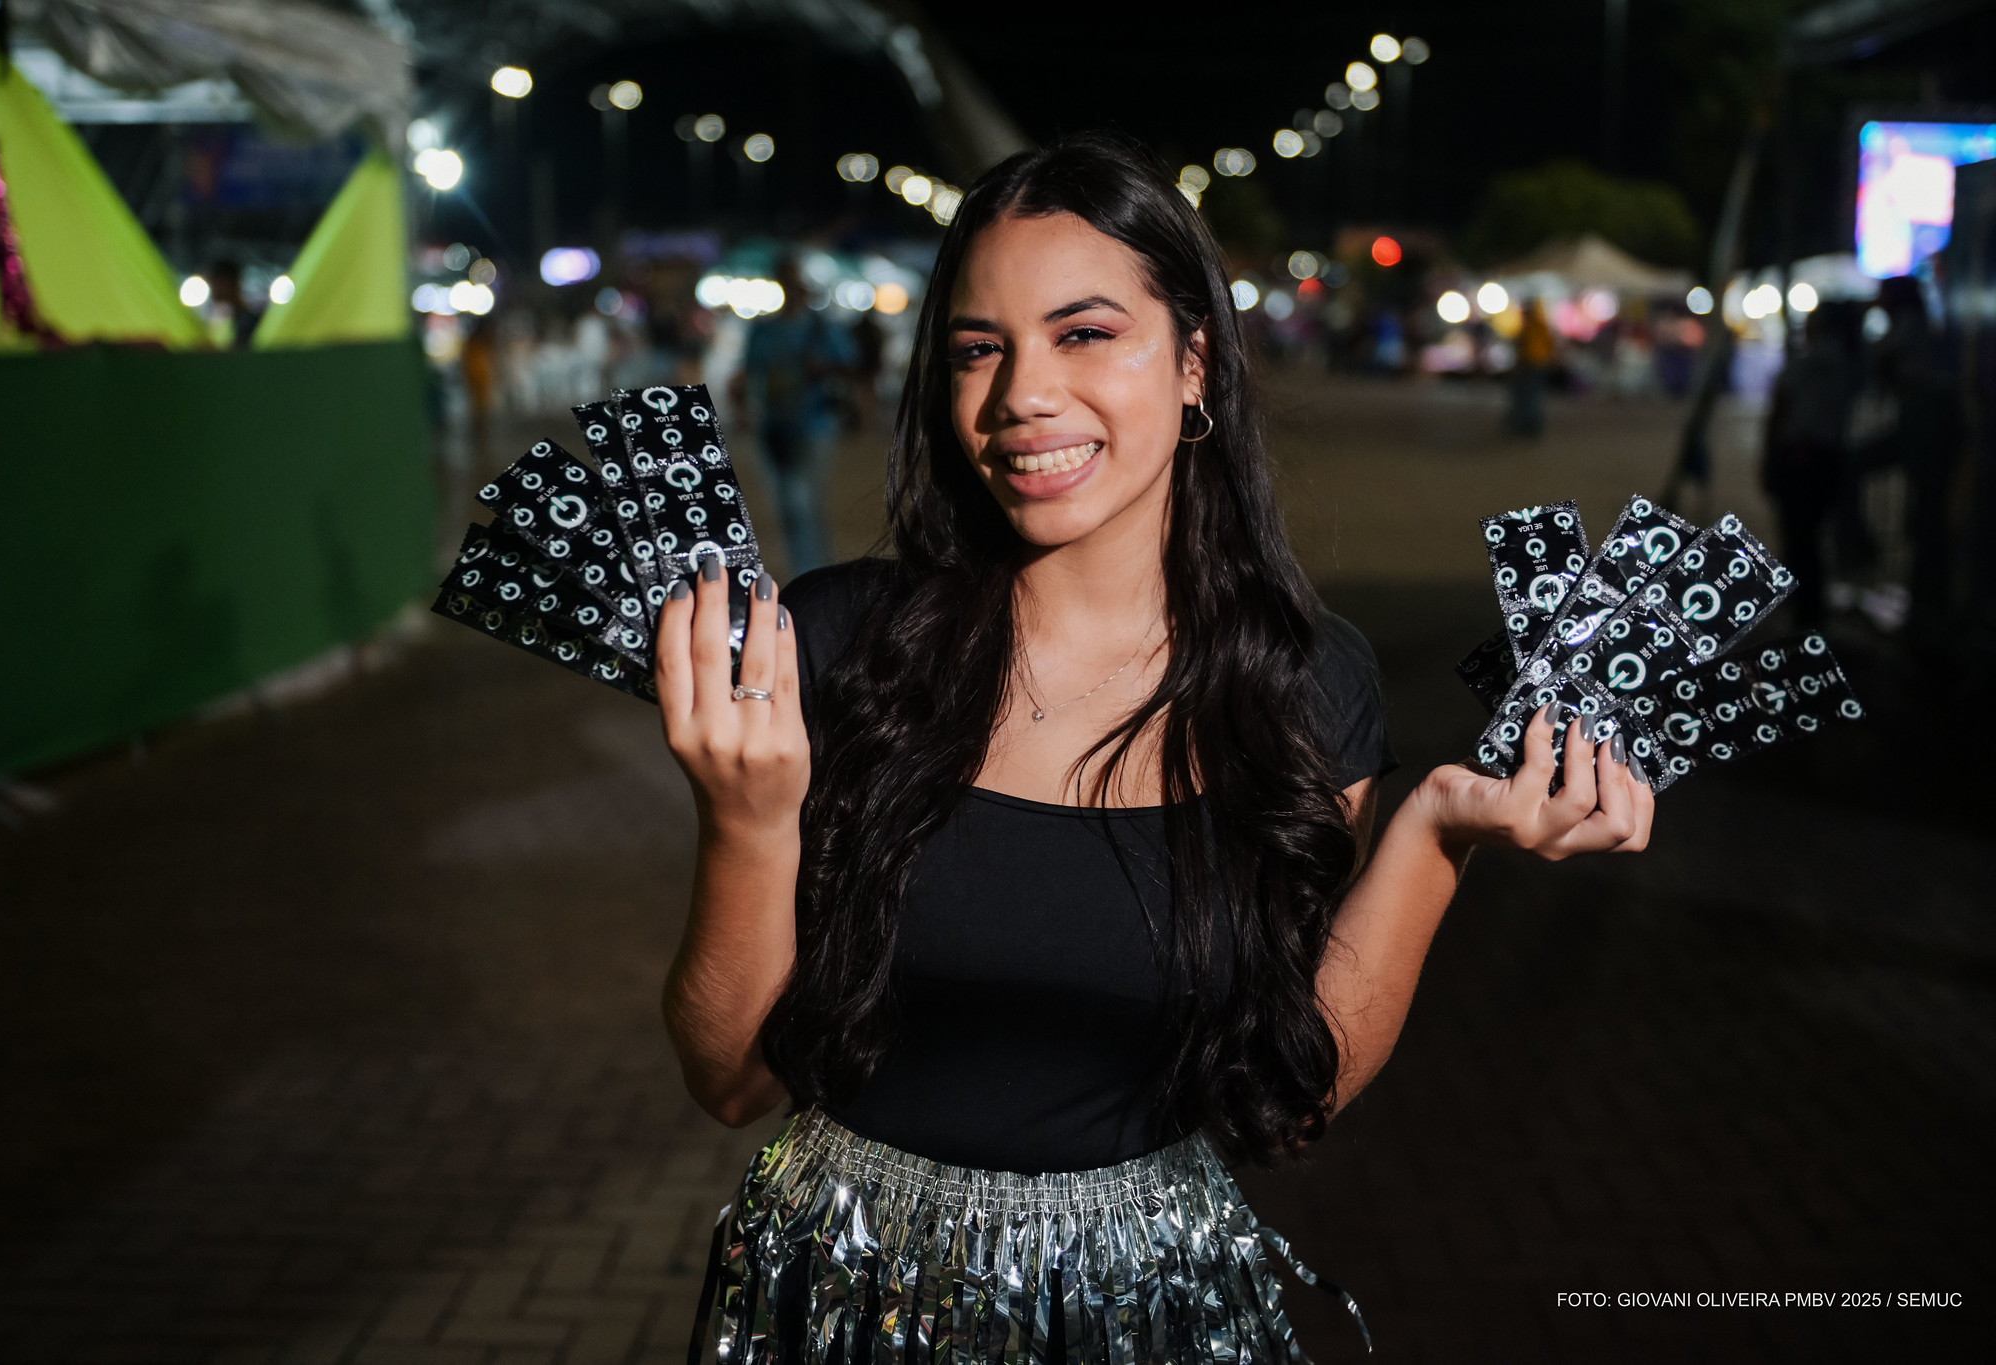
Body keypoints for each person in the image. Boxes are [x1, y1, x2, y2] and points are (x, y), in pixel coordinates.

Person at [656, 134, 1653, 1365]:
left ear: (1193, 367)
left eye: (1084, 333)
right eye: (979, 347)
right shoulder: (836, 638)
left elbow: (1278, 1103)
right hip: (838, 1300)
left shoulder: (1302, 685)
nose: (1022, 391)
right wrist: (743, 820)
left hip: (1148, 1312)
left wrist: (1437, 832)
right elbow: (732, 1082)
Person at [733, 257, 858, 574]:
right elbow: (747, 374)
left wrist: (822, 368)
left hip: (814, 423)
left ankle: (810, 570)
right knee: (792, 504)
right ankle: (808, 567)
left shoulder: (820, 328)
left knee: (800, 500)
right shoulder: (763, 331)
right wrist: (744, 409)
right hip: (774, 425)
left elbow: (852, 366)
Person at [1762, 301, 1860, 628]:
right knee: (1812, 537)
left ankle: (1805, 613)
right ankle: (1811, 609)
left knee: (1798, 537)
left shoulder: (1803, 365)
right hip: (1829, 458)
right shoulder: (1849, 367)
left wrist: (1769, 457)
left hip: (1798, 457)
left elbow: (1780, 411)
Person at [1506, 297, 1554, 436]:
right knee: (1533, 396)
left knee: (1528, 396)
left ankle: (1526, 425)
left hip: (1529, 365)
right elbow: (1549, 345)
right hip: (1538, 364)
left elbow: (1522, 347)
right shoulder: (1540, 326)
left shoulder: (1531, 327)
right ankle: (1530, 424)